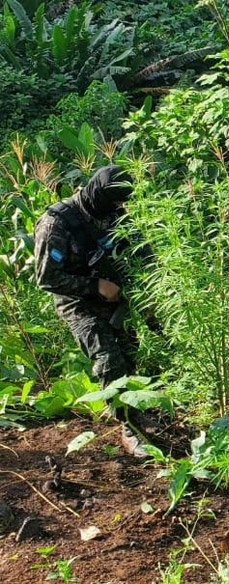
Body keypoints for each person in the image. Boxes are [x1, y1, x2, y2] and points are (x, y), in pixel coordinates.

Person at [33, 165, 150, 457]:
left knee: (129, 353)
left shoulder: (113, 212)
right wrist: (95, 285)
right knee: (109, 360)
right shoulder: (57, 224)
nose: (119, 209)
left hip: (114, 293)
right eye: (115, 203)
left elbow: (137, 252)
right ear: (98, 194)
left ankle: (132, 412)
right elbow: (47, 279)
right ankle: (128, 431)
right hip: (78, 299)